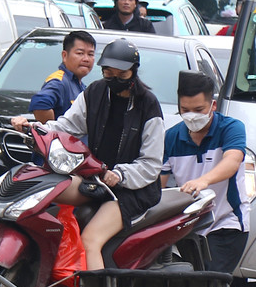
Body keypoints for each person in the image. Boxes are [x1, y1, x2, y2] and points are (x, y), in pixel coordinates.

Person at [10, 38, 164, 270]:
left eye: (121, 74)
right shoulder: (95, 92)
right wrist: (33, 128)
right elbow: (65, 126)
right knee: (41, 192)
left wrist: (120, 175)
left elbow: (151, 164)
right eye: (107, 73)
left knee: (90, 240)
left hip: (132, 190)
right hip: (97, 179)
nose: (113, 79)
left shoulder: (149, 105)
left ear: (133, 71)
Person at [162, 71, 250, 275]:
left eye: (199, 109)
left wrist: (203, 181)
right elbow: (161, 183)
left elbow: (232, 161)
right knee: (188, 285)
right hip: (188, 227)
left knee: (211, 281)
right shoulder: (171, 137)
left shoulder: (231, 128)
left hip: (227, 223)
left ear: (213, 105)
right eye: (185, 109)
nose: (192, 115)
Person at [28, 29, 95, 122]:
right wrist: (52, 132)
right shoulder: (59, 81)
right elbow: (40, 104)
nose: (86, 59)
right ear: (64, 56)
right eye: (80, 53)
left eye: (90, 54)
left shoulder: (81, 86)